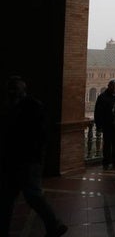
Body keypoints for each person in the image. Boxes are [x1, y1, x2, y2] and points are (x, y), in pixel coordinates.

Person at [0, 76, 68, 237]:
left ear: (23, 90)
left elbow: (39, 134)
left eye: (14, 89)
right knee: (15, 197)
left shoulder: (29, 107)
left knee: (29, 195)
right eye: (9, 89)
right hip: (16, 159)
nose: (11, 92)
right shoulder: (17, 106)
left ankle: (54, 223)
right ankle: (54, 224)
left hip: (27, 159)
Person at [94, 78, 115, 170]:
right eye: (112, 85)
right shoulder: (102, 97)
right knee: (107, 144)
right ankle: (106, 161)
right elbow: (97, 112)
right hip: (107, 124)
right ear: (108, 86)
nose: (114, 87)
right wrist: (98, 125)